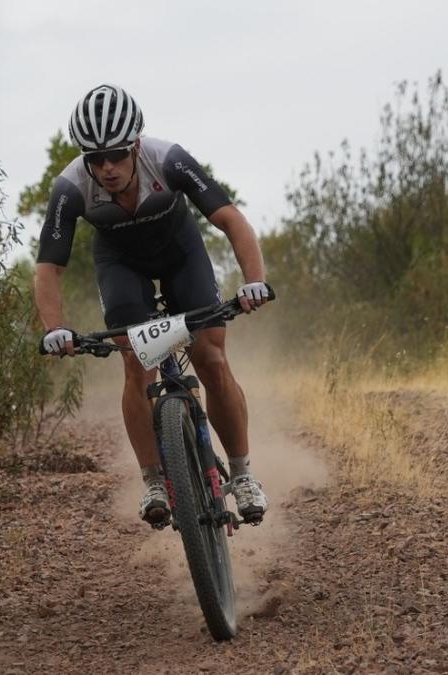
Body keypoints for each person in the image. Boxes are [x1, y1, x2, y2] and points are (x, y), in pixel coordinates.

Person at [33, 84, 271, 526]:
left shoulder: (168, 159)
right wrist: (55, 327)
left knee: (211, 358)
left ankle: (241, 474)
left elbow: (230, 219)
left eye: (118, 154)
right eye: (95, 158)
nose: (107, 168)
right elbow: (49, 267)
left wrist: (255, 281)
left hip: (181, 253)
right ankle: (155, 481)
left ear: (136, 144)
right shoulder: (71, 187)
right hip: (121, 265)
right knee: (136, 366)